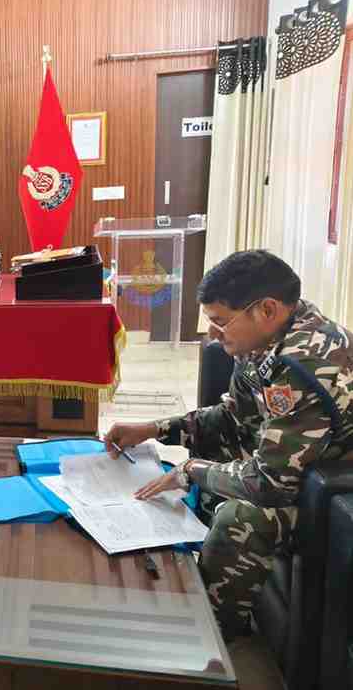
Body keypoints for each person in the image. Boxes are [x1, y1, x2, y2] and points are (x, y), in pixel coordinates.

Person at [105, 250, 353, 642]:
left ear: (266, 309)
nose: (212, 334)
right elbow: (232, 419)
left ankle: (213, 636)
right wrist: (151, 429)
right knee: (209, 459)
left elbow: (270, 484)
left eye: (221, 322)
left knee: (240, 517)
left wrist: (191, 471)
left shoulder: (302, 363)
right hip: (296, 468)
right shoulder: (267, 338)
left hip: (332, 495)